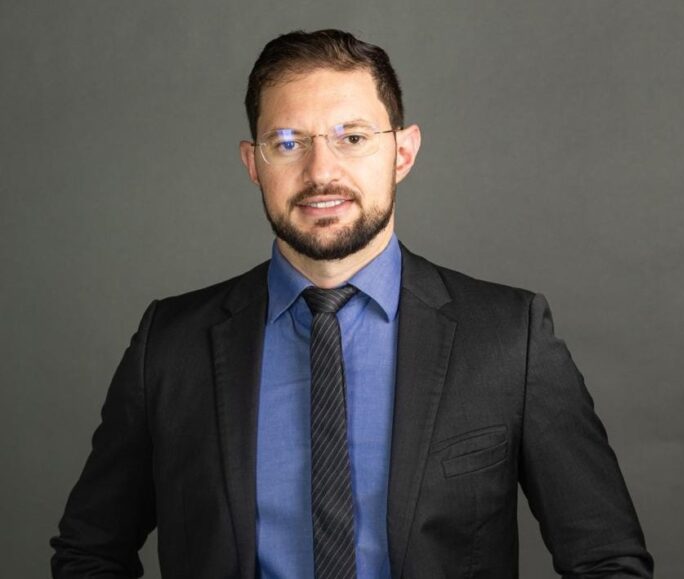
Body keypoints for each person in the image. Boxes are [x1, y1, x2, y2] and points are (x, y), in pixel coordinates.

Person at [51, 29, 653, 579]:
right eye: (287, 142)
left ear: (403, 152)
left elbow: (608, 562)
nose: (321, 171)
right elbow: (89, 553)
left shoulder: (508, 338)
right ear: (253, 163)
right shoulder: (170, 344)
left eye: (353, 138)